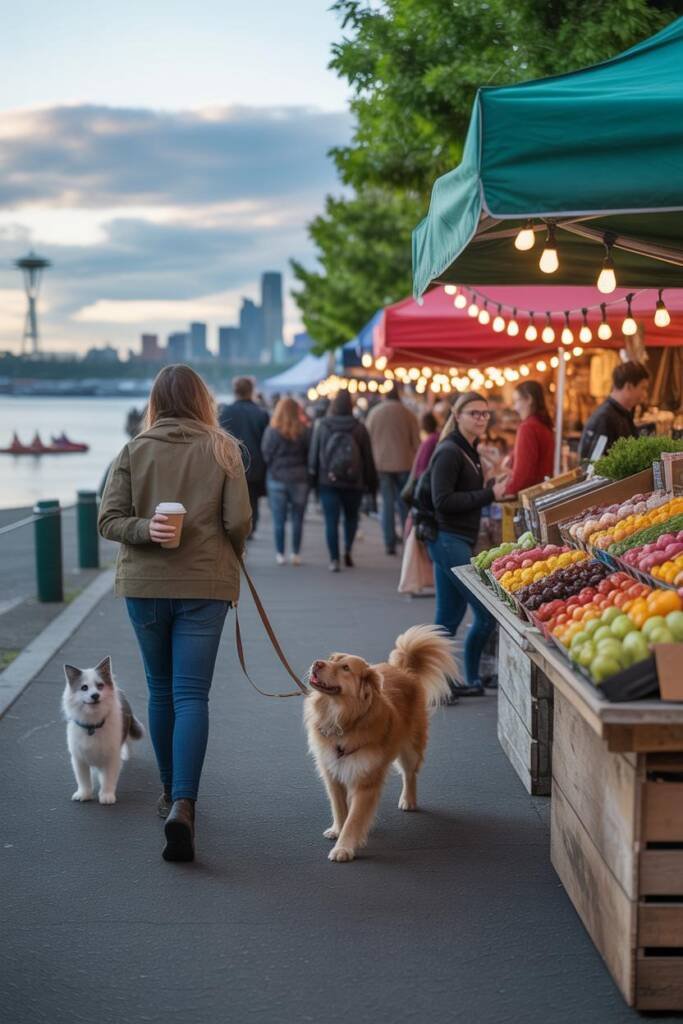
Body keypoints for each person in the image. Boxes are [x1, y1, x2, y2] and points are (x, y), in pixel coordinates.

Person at [99, 364, 251, 863]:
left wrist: (146, 531)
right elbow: (238, 521)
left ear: (155, 402)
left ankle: (168, 793)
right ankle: (184, 802)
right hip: (205, 585)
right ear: (203, 399)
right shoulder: (223, 449)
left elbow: (108, 520)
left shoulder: (133, 450)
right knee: (191, 694)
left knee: (160, 689)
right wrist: (231, 550)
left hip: (145, 586)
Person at [427, 392, 509, 697]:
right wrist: (490, 494)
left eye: (485, 414)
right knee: (484, 613)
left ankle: (436, 684)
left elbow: (461, 493)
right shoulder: (449, 451)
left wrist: (489, 487)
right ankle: (472, 678)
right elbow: (442, 501)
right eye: (474, 413)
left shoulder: (468, 450)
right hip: (448, 539)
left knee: (447, 618)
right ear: (457, 415)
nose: (481, 418)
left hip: (454, 538)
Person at [308, 389, 377, 572]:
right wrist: (371, 483)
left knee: (331, 520)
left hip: (327, 481)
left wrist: (313, 480)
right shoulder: (359, 427)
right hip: (354, 482)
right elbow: (367, 457)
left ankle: (333, 559)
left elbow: (314, 454)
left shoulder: (322, 425)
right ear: (351, 405)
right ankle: (347, 550)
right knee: (351, 517)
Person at [366, 382, 420, 555]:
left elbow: (367, 439)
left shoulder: (374, 413)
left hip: (381, 464)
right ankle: (406, 540)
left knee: (387, 504)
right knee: (404, 503)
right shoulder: (408, 414)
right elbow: (416, 442)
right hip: (405, 463)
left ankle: (389, 542)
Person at [262, 397, 311, 566]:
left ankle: (280, 553)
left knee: (279, 518)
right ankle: (296, 553)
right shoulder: (304, 430)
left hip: (277, 478)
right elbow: (309, 454)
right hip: (299, 478)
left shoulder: (272, 430)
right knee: (298, 518)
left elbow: (266, 454)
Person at [218, 377, 269, 535]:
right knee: (252, 497)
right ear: (251, 391)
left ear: (235, 391)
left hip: (230, 462)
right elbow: (266, 442)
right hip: (255, 463)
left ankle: (237, 526)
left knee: (232, 497)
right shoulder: (261, 413)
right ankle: (251, 528)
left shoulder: (225, 412)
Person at [578, 361, 650, 460]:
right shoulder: (604, 418)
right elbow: (592, 465)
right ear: (628, 386)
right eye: (643, 388)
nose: (645, 395)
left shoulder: (624, 414)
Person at [504, 380, 555, 495]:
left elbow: (523, 476)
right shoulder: (543, 425)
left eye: (517, 401)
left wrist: (506, 492)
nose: (515, 408)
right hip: (543, 493)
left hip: (530, 497)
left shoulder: (528, 428)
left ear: (529, 399)